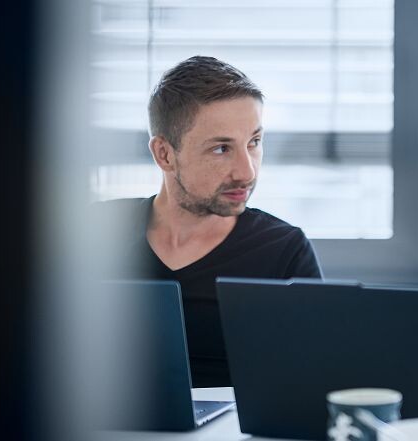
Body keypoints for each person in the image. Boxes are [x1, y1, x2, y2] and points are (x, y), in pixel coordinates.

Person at [100, 56, 322, 387]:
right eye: (221, 149)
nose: (246, 172)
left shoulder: (284, 250)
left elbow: (311, 385)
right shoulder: (98, 232)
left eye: (254, 143)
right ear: (164, 154)